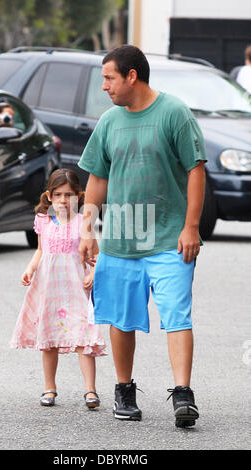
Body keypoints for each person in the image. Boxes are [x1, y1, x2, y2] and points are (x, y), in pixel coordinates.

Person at [78, 45, 207, 428]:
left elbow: (195, 171)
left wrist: (192, 226)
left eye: (109, 78)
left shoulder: (174, 113)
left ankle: (183, 394)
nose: (104, 87)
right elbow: (97, 178)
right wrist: (88, 230)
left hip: (169, 238)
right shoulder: (108, 122)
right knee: (121, 318)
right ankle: (123, 389)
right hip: (119, 240)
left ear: (131, 76)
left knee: (177, 316)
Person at [10, 169, 107, 409]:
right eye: (58, 195)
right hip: (50, 287)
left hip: (75, 287)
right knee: (49, 338)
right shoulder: (44, 221)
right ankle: (49, 387)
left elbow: (96, 255)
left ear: (78, 196)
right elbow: (41, 251)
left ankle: (90, 390)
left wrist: (93, 274)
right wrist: (30, 269)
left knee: (84, 336)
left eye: (69, 195)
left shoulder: (84, 223)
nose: (64, 200)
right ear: (49, 196)